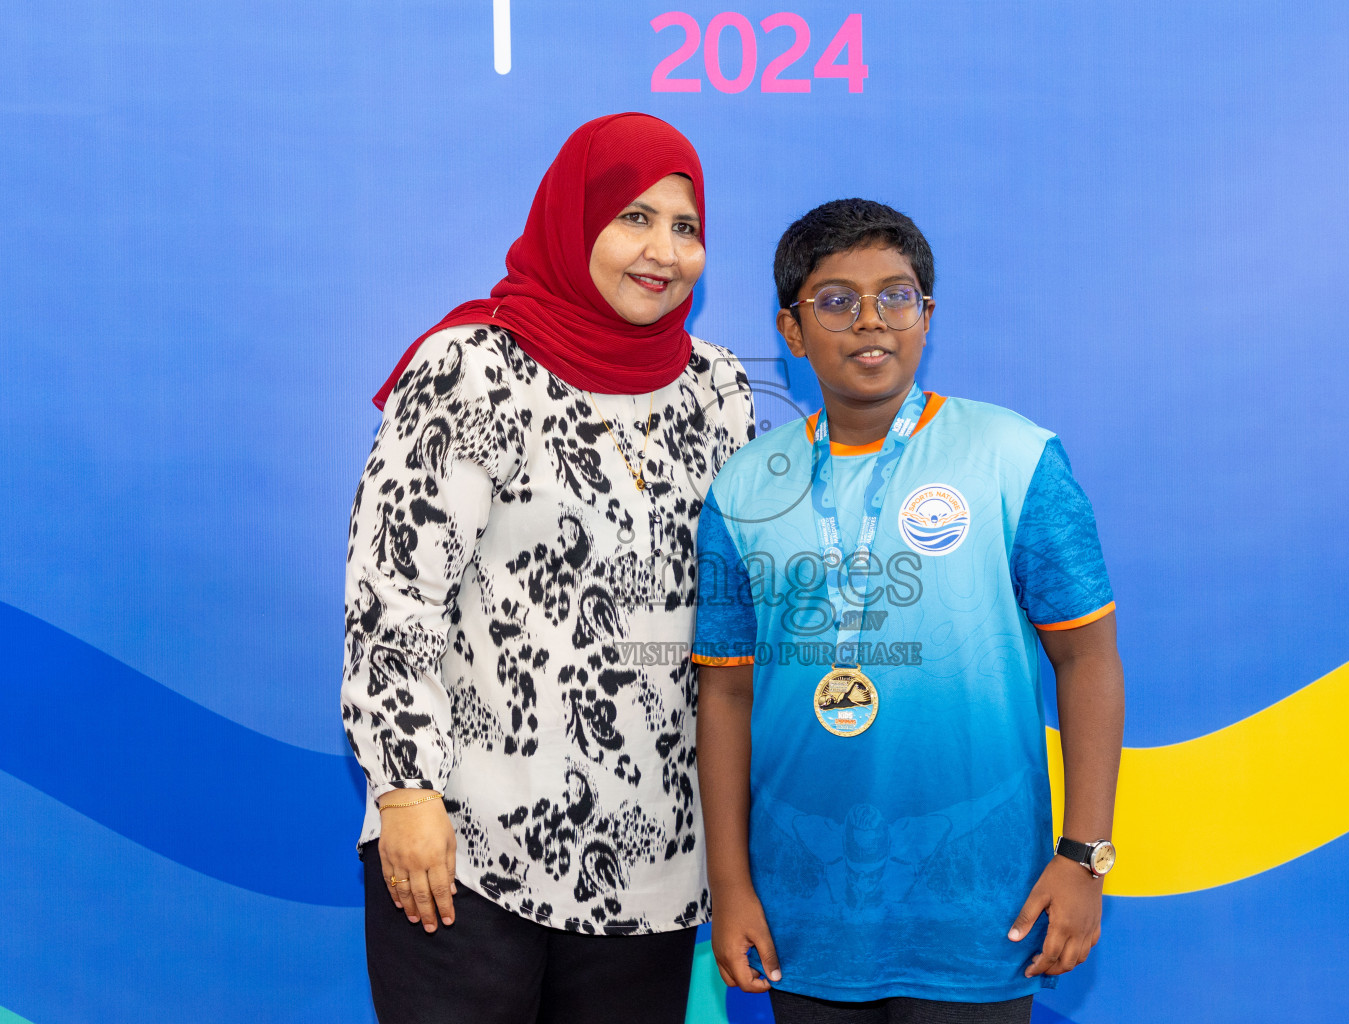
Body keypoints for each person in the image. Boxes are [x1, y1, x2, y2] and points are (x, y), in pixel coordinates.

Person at [341, 112, 755, 1024]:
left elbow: (737, 618)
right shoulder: (473, 367)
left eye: (686, 227)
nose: (663, 251)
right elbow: (394, 598)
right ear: (576, 221)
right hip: (468, 847)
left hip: (654, 859)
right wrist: (406, 790)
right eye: (634, 218)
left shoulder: (718, 389)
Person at [693, 199, 1125, 1023]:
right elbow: (725, 695)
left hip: (981, 905)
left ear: (927, 317)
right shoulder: (741, 487)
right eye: (836, 300)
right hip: (803, 908)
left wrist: (1083, 857)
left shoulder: (1016, 458)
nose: (870, 322)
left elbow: (1089, 658)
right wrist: (731, 884)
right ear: (791, 329)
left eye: (896, 297)